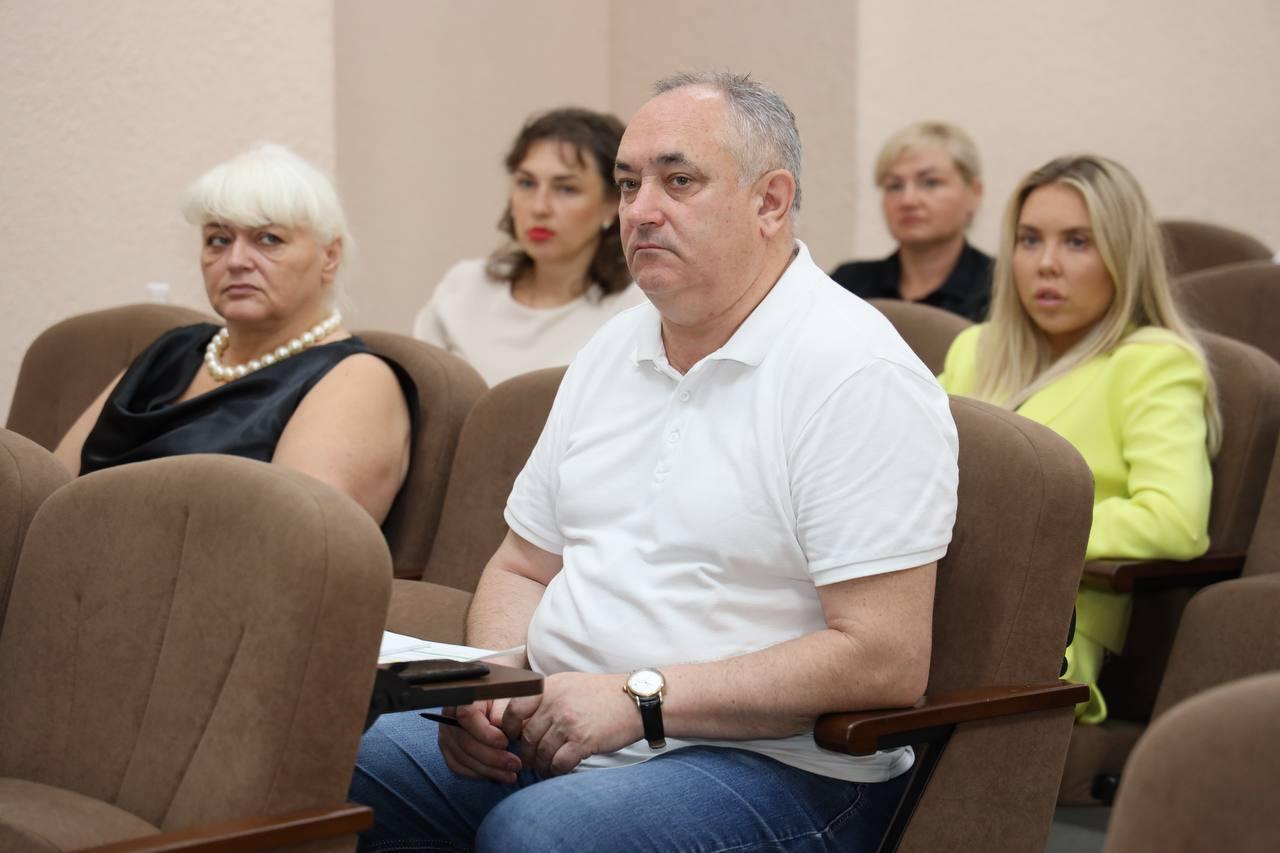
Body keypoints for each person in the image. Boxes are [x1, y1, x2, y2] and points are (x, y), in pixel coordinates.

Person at [352, 72, 960, 851]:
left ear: (771, 202)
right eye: (628, 183)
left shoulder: (856, 373)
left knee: (540, 833)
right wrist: (496, 688)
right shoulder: (614, 346)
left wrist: (642, 699)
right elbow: (522, 566)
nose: (639, 210)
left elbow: (884, 657)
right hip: (564, 726)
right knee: (322, 761)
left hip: (773, 763)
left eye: (678, 181)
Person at [937, 154, 1220, 724]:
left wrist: (1017, 533)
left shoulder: (1153, 362)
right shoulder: (977, 350)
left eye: (1076, 242)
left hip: (1052, 630)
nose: (1046, 264)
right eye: (1029, 240)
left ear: (1122, 255)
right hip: (934, 598)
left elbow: (1176, 521)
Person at [53, 143, 414, 524]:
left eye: (268, 239)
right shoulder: (170, 351)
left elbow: (294, 542)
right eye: (219, 240)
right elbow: (52, 488)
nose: (236, 261)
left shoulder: (356, 380)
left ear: (330, 256)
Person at [413, 108, 648, 386]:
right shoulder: (464, 286)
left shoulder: (636, 309)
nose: (539, 207)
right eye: (526, 183)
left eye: (566, 189)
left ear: (612, 204)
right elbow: (423, 396)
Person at [830, 121, 992, 320]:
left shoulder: (1002, 288)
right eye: (895, 186)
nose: (908, 201)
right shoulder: (847, 284)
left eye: (930, 182)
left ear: (974, 193)